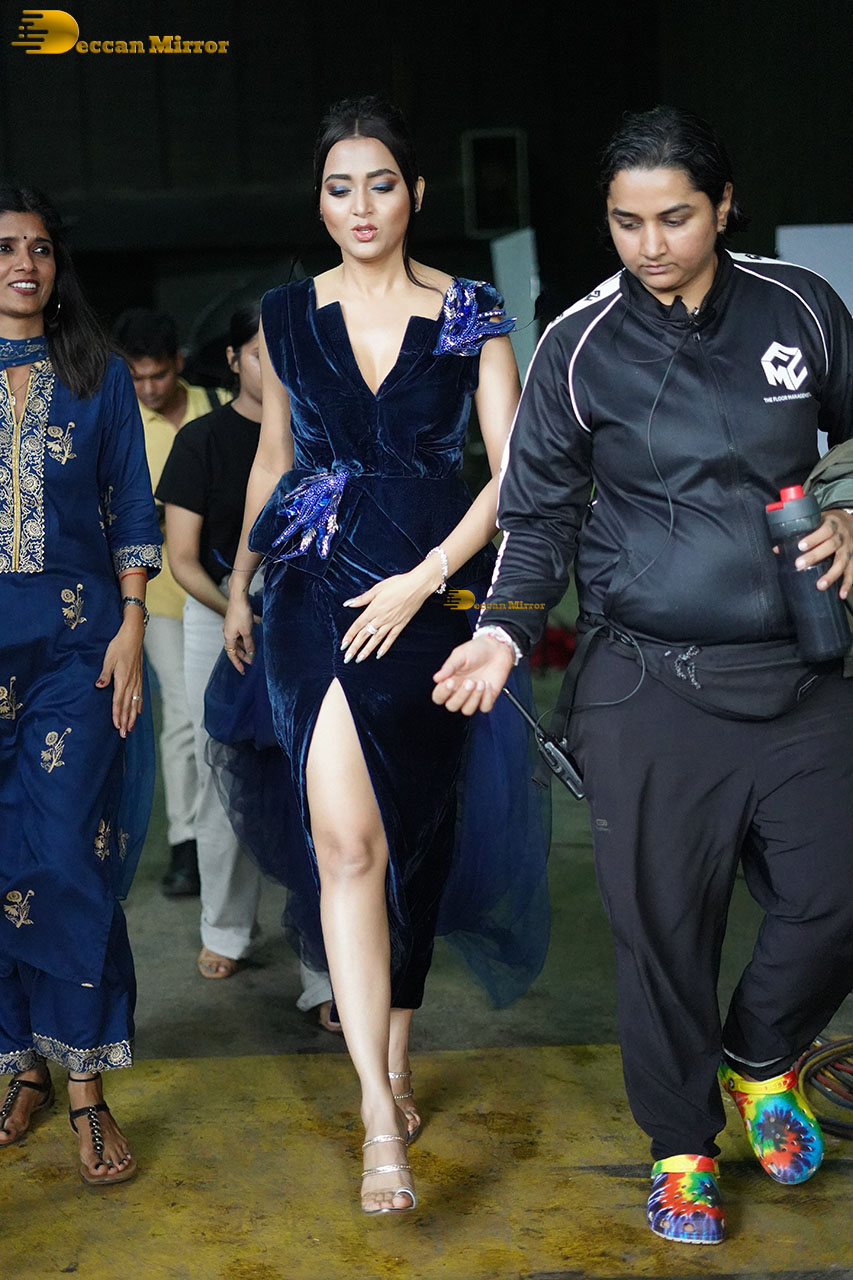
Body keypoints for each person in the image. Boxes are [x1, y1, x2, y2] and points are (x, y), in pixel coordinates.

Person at [433, 105, 853, 1245]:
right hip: (649, 681)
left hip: (804, 666)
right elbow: (535, 515)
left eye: (675, 217)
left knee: (835, 894)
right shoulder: (577, 345)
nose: (650, 244)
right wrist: (503, 634)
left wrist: (851, 512)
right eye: (626, 222)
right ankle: (680, 1148)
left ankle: (758, 1057)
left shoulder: (802, 307)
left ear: (723, 208)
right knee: (663, 931)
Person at [222, 95, 546, 1214]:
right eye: (338, 187)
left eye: (380, 184)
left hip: (431, 594)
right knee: (346, 847)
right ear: (319, 202)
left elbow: (513, 469)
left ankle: (396, 1056)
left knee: (414, 838)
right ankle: (374, 1109)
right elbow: (274, 459)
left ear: (414, 194)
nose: (360, 206)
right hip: (312, 596)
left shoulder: (467, 309)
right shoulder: (284, 312)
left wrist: (426, 577)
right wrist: (240, 583)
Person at [0, 187, 161, 1184]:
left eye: (40, 248)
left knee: (65, 851)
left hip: (76, 647)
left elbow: (131, 505)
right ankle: (19, 1062)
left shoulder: (95, 375)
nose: (25, 262)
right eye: (6, 247)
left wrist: (134, 622)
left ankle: (87, 1089)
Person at [157, 305, 336, 1022]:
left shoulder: (323, 434)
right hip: (219, 620)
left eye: (288, 352)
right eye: (262, 353)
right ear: (234, 360)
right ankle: (226, 927)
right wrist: (239, 607)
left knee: (317, 789)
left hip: (307, 620)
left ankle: (324, 965)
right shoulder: (202, 441)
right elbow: (181, 558)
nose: (276, 367)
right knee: (222, 779)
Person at [113, 308, 229, 899]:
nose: (149, 388)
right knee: (185, 715)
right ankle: (188, 842)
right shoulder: (122, 423)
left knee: (227, 716)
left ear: (178, 364)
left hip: (227, 590)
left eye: (157, 375)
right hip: (158, 597)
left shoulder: (221, 405)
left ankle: (231, 835)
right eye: (137, 377)